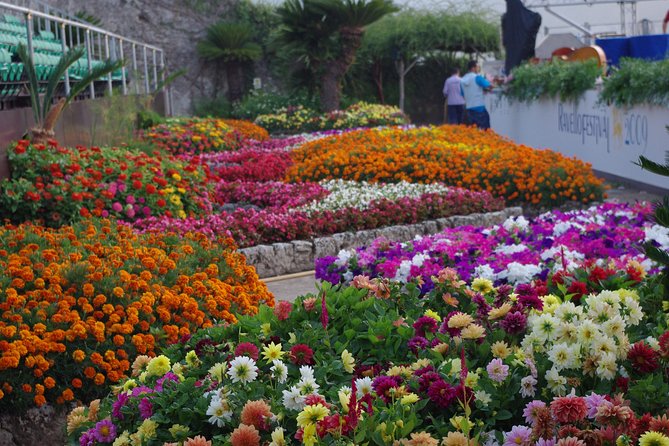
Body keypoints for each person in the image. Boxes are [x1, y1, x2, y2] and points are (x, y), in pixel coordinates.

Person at [460, 60, 493, 130]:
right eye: (478, 67)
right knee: (486, 131)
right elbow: (489, 85)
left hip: (469, 109)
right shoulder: (477, 77)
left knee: (474, 132)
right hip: (480, 109)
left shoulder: (462, 80)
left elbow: (463, 94)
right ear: (473, 68)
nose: (479, 68)